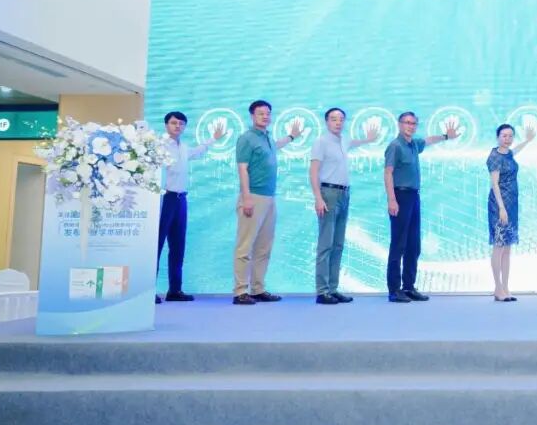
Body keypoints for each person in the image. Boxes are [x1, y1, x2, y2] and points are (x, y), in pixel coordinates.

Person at [383, 111, 459, 303]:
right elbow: (388, 173)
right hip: (400, 196)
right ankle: (394, 290)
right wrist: (392, 199)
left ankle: (409, 286)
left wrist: (445, 136)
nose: (410, 126)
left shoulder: (413, 144)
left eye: (413, 123)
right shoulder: (395, 146)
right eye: (407, 123)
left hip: (413, 196)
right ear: (399, 124)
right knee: (398, 244)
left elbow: (428, 140)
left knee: (413, 244)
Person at [232, 100, 302, 306]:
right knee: (245, 247)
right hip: (253, 197)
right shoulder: (246, 138)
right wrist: (246, 197)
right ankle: (240, 291)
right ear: (252, 116)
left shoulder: (267, 138)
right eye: (261, 113)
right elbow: (242, 169)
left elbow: (275, 147)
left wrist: (291, 136)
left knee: (264, 247)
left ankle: (258, 289)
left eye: (268, 113)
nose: (265, 116)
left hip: (270, 198)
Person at [309, 107, 379, 305]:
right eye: (333, 119)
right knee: (326, 244)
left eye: (341, 119)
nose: (338, 122)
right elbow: (313, 171)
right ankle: (322, 291)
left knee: (338, 244)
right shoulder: (321, 142)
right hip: (328, 194)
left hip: (345, 194)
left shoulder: (343, 140)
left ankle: (333, 288)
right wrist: (318, 198)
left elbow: (354, 143)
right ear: (326, 122)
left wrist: (368, 139)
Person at [156, 111, 224, 304]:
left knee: (178, 246)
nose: (177, 126)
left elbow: (197, 152)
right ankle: (148, 291)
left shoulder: (183, 147)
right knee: (157, 245)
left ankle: (175, 290)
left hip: (180, 199)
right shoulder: (158, 146)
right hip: (165, 199)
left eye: (181, 123)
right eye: (173, 123)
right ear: (166, 125)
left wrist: (213, 139)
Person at [487, 123, 536, 302]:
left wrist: (527, 141)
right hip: (499, 205)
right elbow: (494, 184)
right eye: (504, 136)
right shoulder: (494, 156)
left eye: (510, 136)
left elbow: (514, 152)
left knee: (507, 248)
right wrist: (501, 207)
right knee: (499, 246)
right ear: (498, 137)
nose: (507, 139)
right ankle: (497, 287)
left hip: (512, 204)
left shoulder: (508, 154)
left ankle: (505, 287)